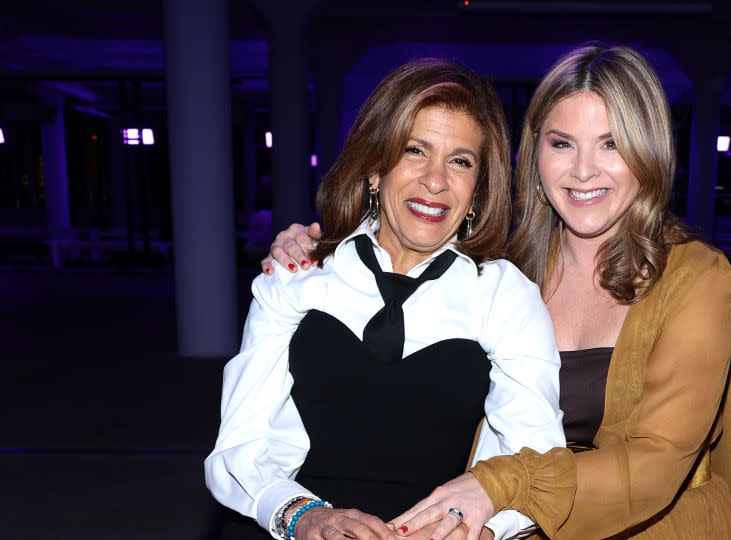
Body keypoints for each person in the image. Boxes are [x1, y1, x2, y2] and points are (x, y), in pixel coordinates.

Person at [266, 44, 731, 539]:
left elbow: (657, 465)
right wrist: (315, 245)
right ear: (534, 154)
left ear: (648, 154)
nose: (584, 170)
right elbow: (410, 225)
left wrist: (501, 488)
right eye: (562, 143)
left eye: (611, 144)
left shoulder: (696, 278)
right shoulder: (508, 270)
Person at [207, 59, 566, 540]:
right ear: (375, 169)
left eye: (460, 161)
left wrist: (474, 532)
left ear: (477, 189)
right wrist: (303, 517)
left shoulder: (504, 294)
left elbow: (535, 456)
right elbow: (240, 443)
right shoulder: (296, 275)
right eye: (415, 151)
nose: (436, 180)